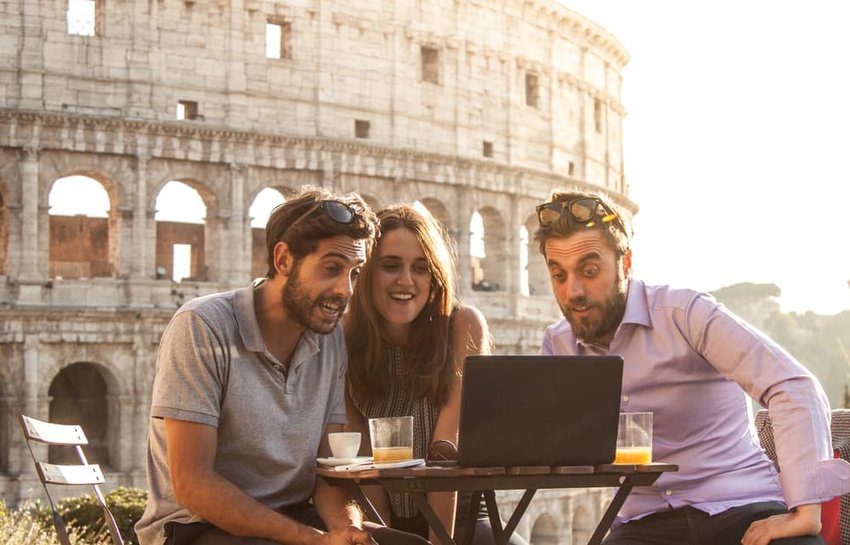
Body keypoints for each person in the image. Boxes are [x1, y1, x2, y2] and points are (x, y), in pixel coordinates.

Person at [533, 189, 850, 545]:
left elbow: (793, 385)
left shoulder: (685, 313)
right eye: (558, 275)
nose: (573, 290)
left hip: (742, 505)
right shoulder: (558, 344)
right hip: (643, 520)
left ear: (625, 263)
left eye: (589, 271)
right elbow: (557, 442)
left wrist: (805, 513)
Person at [135, 188, 428, 545]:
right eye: (332, 269)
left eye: (354, 273)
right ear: (284, 259)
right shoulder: (202, 325)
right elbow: (192, 483)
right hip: (195, 528)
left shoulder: (330, 340)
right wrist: (308, 539)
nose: (346, 290)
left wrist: (344, 529)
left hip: (295, 520)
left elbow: (329, 473)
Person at [344, 204, 528, 545]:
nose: (406, 281)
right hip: (376, 513)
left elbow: (447, 447)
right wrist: (389, 539)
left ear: (436, 277)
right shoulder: (341, 337)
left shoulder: (462, 325)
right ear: (367, 270)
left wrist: (438, 542)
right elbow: (361, 461)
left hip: (461, 511)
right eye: (390, 266)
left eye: (421, 268)